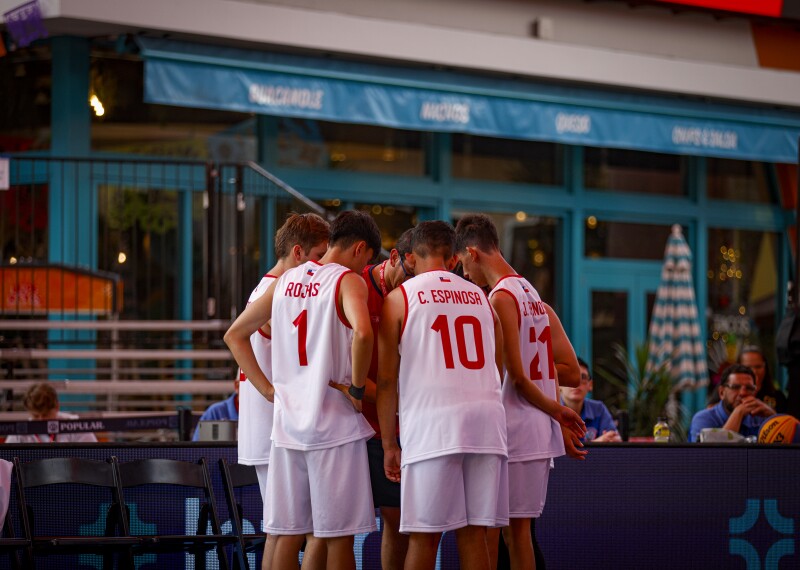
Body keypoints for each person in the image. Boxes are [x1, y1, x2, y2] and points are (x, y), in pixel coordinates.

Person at [225, 210, 380, 570]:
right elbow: (364, 332)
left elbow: (234, 334)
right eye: (367, 261)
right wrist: (357, 388)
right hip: (332, 425)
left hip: (287, 427)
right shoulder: (346, 281)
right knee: (337, 538)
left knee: (286, 534)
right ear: (359, 249)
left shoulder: (286, 279)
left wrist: (269, 391)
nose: (364, 269)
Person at [454, 213, 585, 570]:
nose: (465, 275)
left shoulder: (499, 298)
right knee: (519, 533)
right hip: (536, 430)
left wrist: (560, 413)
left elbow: (521, 379)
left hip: (514, 430)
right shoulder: (531, 291)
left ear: (472, 252)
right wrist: (554, 415)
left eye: (464, 264)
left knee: (496, 533)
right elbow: (555, 372)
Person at [377, 220, 508, 570]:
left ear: (412, 256)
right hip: (487, 424)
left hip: (434, 426)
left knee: (425, 535)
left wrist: (390, 443)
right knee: (473, 534)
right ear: (453, 259)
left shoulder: (399, 298)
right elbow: (498, 365)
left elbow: (387, 381)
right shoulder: (482, 297)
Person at [231, 212, 330, 569]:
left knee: (283, 531)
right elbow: (235, 340)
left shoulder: (267, 286)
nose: (324, 265)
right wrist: (271, 392)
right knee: (300, 531)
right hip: (276, 427)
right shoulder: (280, 291)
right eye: (320, 255)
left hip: (270, 427)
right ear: (300, 252)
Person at [361, 228, 415, 570]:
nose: (411, 284)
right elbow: (343, 372)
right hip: (360, 425)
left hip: (400, 424)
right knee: (330, 529)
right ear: (393, 258)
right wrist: (388, 398)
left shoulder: (417, 296)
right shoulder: (355, 286)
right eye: (408, 275)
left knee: (399, 524)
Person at [689, 364, 775, 442]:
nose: (743, 393)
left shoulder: (760, 418)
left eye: (749, 388)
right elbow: (715, 455)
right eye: (735, 387)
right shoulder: (704, 419)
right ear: (722, 393)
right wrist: (738, 413)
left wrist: (773, 416)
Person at [5, 382, 98, 443]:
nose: (41, 420)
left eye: (45, 415)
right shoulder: (20, 433)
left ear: (57, 407)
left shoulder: (76, 426)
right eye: (36, 416)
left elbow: (93, 459)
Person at [560, 358, 621, 443]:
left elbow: (613, 438)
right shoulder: (550, 411)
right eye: (570, 377)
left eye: (583, 377)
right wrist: (597, 443)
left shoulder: (599, 409)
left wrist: (614, 440)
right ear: (558, 384)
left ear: (590, 385)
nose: (576, 383)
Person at [738, 345, 788, 413]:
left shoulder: (778, 396)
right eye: (748, 367)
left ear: (765, 368)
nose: (754, 372)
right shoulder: (732, 395)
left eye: (758, 367)